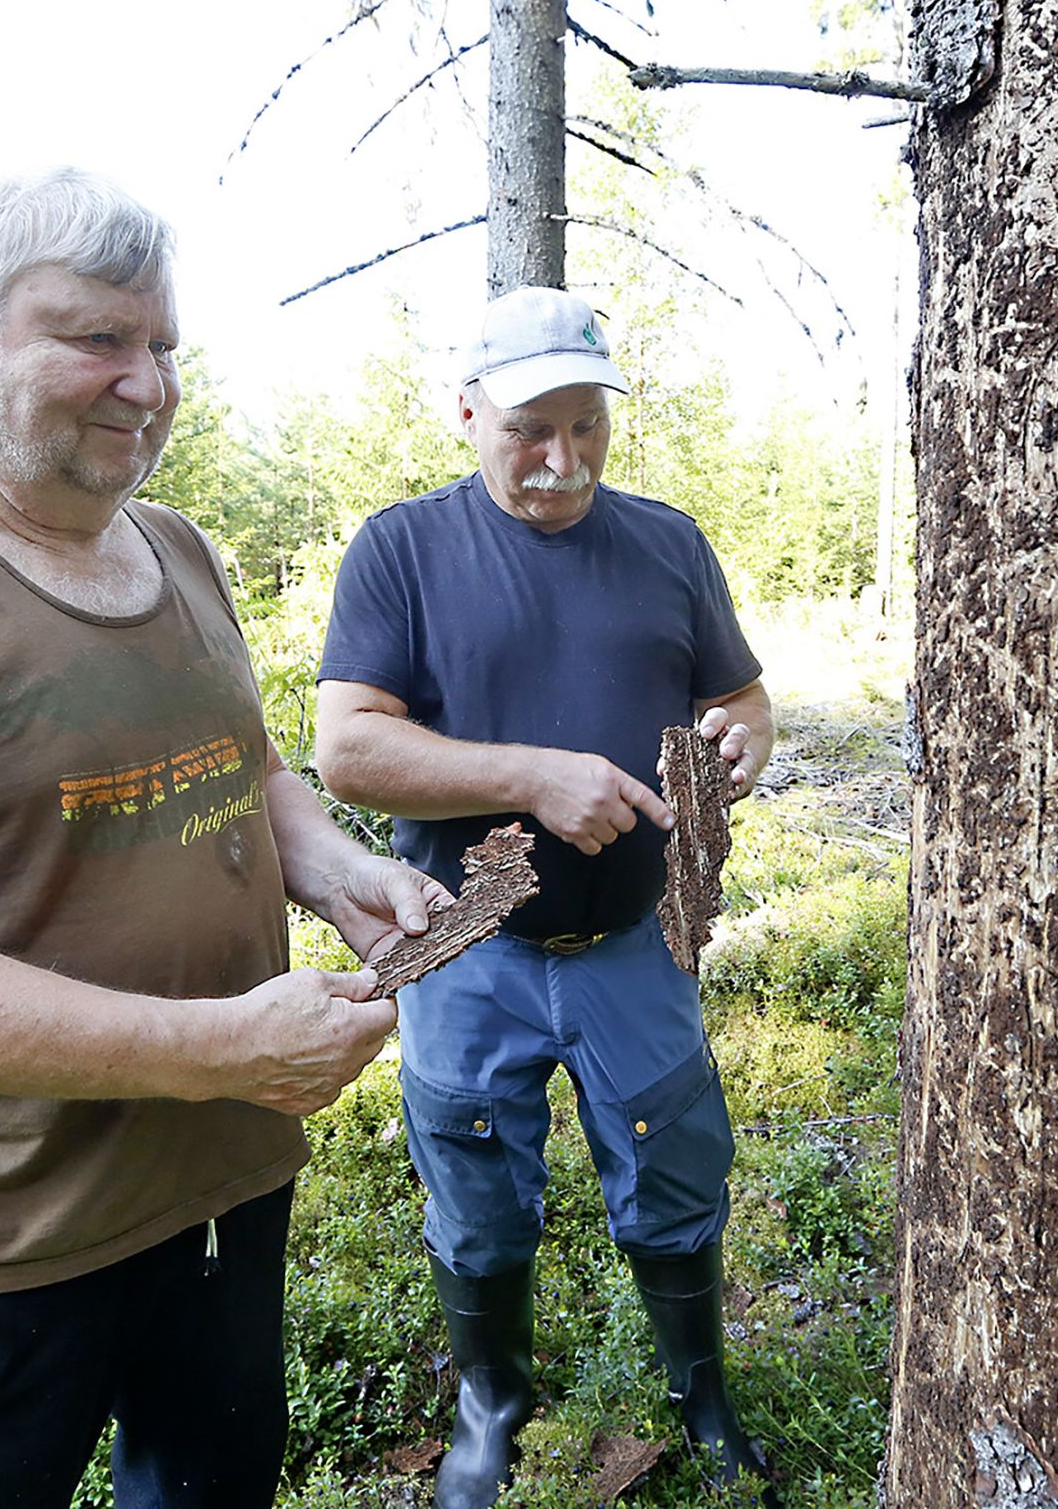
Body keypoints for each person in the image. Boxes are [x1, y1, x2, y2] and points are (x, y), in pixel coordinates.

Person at [0, 169, 446, 1509]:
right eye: (95, 337)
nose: (146, 380)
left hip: (217, 1188)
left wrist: (340, 871)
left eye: (161, 343)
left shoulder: (171, 546)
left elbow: (250, 768)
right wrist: (229, 1045)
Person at [313, 286, 777, 1507]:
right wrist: (531, 776)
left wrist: (739, 739)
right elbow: (348, 750)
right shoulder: (403, 549)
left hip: (635, 939)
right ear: (468, 411)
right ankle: (491, 1408)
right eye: (529, 429)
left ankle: (701, 1397)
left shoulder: (668, 543)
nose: (561, 461)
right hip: (466, 943)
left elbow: (743, 696)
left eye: (586, 426)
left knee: (673, 1160)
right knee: (471, 1174)